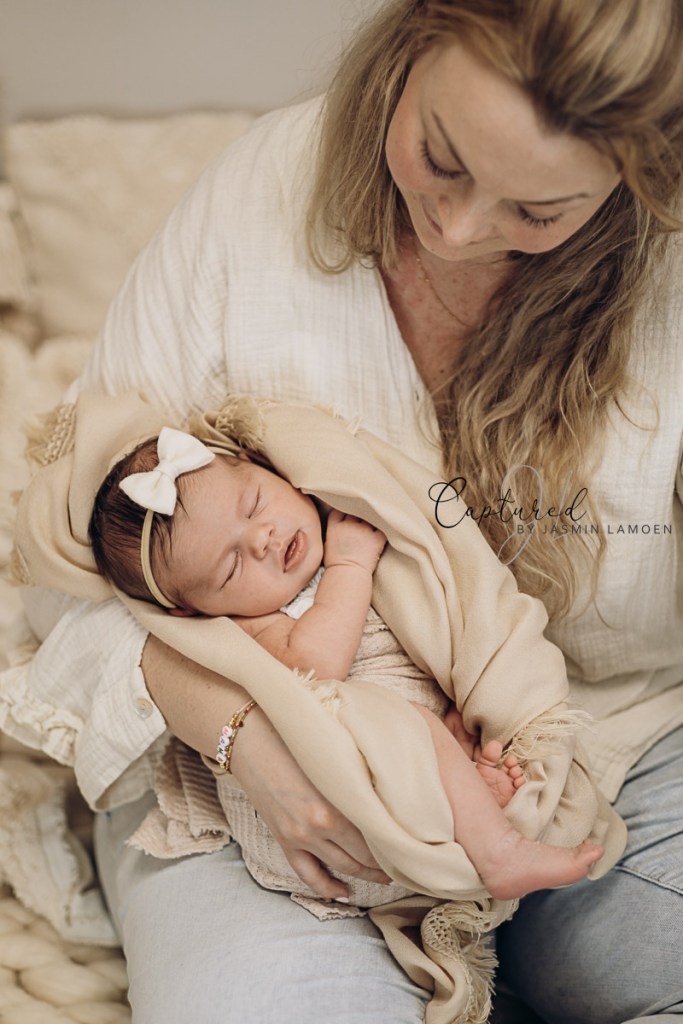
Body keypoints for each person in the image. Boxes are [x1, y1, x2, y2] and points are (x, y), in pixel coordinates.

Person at [6, 1, 682, 1021]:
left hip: (611, 737)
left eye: (538, 211)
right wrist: (246, 732)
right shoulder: (253, 207)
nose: (456, 230)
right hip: (251, 789)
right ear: (413, 36)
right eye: (439, 157)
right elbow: (70, 578)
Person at [88, 425, 603, 903]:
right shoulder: (250, 628)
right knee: (409, 725)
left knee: (431, 730)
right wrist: (350, 565)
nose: (261, 537)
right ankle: (499, 853)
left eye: (254, 503)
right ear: (194, 611)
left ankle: (467, 803)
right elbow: (316, 665)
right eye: (232, 565)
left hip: (388, 797)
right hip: (334, 841)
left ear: (261, 464)